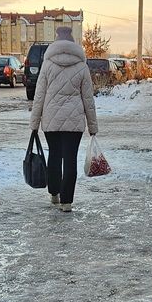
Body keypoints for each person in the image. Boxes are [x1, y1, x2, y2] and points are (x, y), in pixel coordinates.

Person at [29, 26, 98, 213]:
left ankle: (54, 193)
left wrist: (34, 123)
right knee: (70, 159)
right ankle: (67, 202)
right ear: (73, 42)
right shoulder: (82, 66)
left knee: (54, 155)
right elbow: (88, 99)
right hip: (74, 122)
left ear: (56, 41)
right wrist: (93, 126)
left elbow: (39, 96)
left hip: (51, 120)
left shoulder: (47, 65)